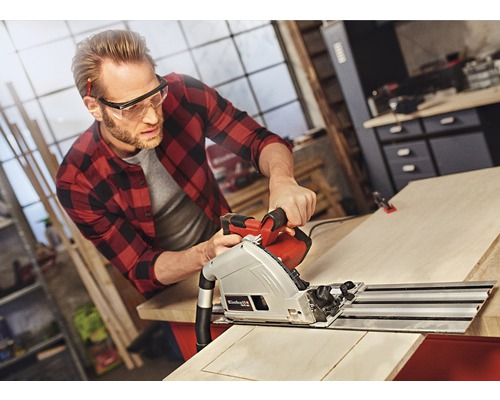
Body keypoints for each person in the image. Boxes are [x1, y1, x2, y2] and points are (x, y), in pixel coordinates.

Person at [56, 29, 316, 299]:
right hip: (175, 290)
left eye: (155, 96)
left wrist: (283, 180)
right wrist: (206, 252)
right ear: (94, 107)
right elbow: (139, 267)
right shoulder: (78, 180)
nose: (153, 118)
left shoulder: (184, 94)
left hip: (232, 261)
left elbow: (259, 141)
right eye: (132, 107)